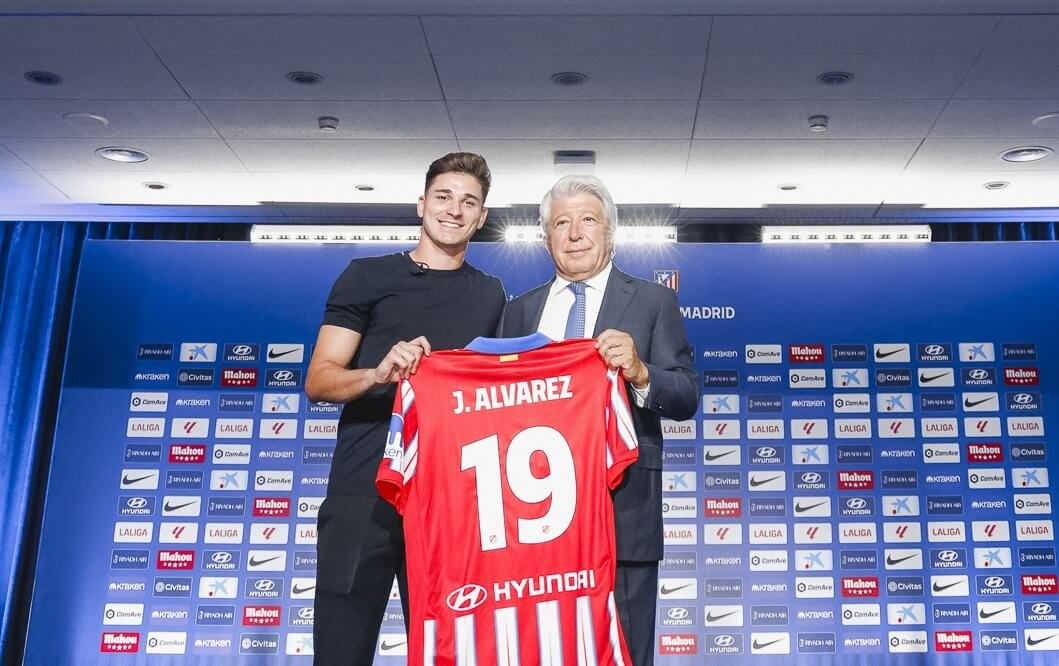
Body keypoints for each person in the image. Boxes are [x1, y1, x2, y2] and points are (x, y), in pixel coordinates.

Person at [306, 152, 506, 666]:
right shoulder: (366, 276)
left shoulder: (491, 294)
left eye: (469, 202)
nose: (454, 210)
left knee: (449, 655)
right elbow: (319, 379)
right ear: (421, 203)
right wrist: (376, 374)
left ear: (482, 218)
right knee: (339, 654)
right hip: (362, 497)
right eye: (443, 197)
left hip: (450, 504)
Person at [499, 174, 698, 666]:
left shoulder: (653, 302)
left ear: (611, 232)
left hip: (623, 510)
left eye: (588, 220)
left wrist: (640, 371)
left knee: (626, 653)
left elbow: (685, 395)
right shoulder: (518, 312)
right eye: (560, 223)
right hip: (533, 519)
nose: (574, 233)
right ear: (545, 238)